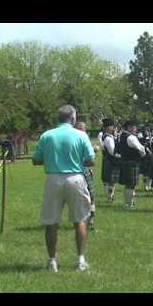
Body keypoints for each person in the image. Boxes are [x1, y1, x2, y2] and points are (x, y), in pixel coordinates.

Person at [32, 105, 95, 272]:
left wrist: (52, 159)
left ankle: (52, 261)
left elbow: (36, 159)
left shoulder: (47, 135)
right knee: (80, 219)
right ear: (73, 118)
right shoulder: (81, 135)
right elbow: (91, 160)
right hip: (75, 178)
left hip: (53, 178)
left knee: (51, 222)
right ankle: (80, 260)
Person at [74, 121, 98, 231]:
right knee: (90, 197)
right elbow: (90, 158)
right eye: (84, 129)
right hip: (83, 170)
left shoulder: (72, 139)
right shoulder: (83, 138)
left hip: (74, 171)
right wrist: (94, 149)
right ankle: (90, 221)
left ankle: (87, 220)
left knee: (81, 198)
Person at [118, 120, 146, 210]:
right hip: (132, 162)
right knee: (131, 185)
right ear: (129, 127)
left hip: (124, 161)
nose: (136, 129)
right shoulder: (131, 137)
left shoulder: (122, 135)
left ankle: (127, 203)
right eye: (134, 127)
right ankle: (130, 204)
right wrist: (144, 154)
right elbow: (140, 148)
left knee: (128, 184)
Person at [101, 120, 121, 203]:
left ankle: (109, 197)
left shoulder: (107, 136)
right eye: (112, 126)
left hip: (107, 160)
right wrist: (121, 156)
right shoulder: (108, 139)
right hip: (111, 161)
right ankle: (110, 197)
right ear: (107, 128)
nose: (113, 128)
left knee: (108, 180)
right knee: (111, 181)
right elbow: (112, 152)